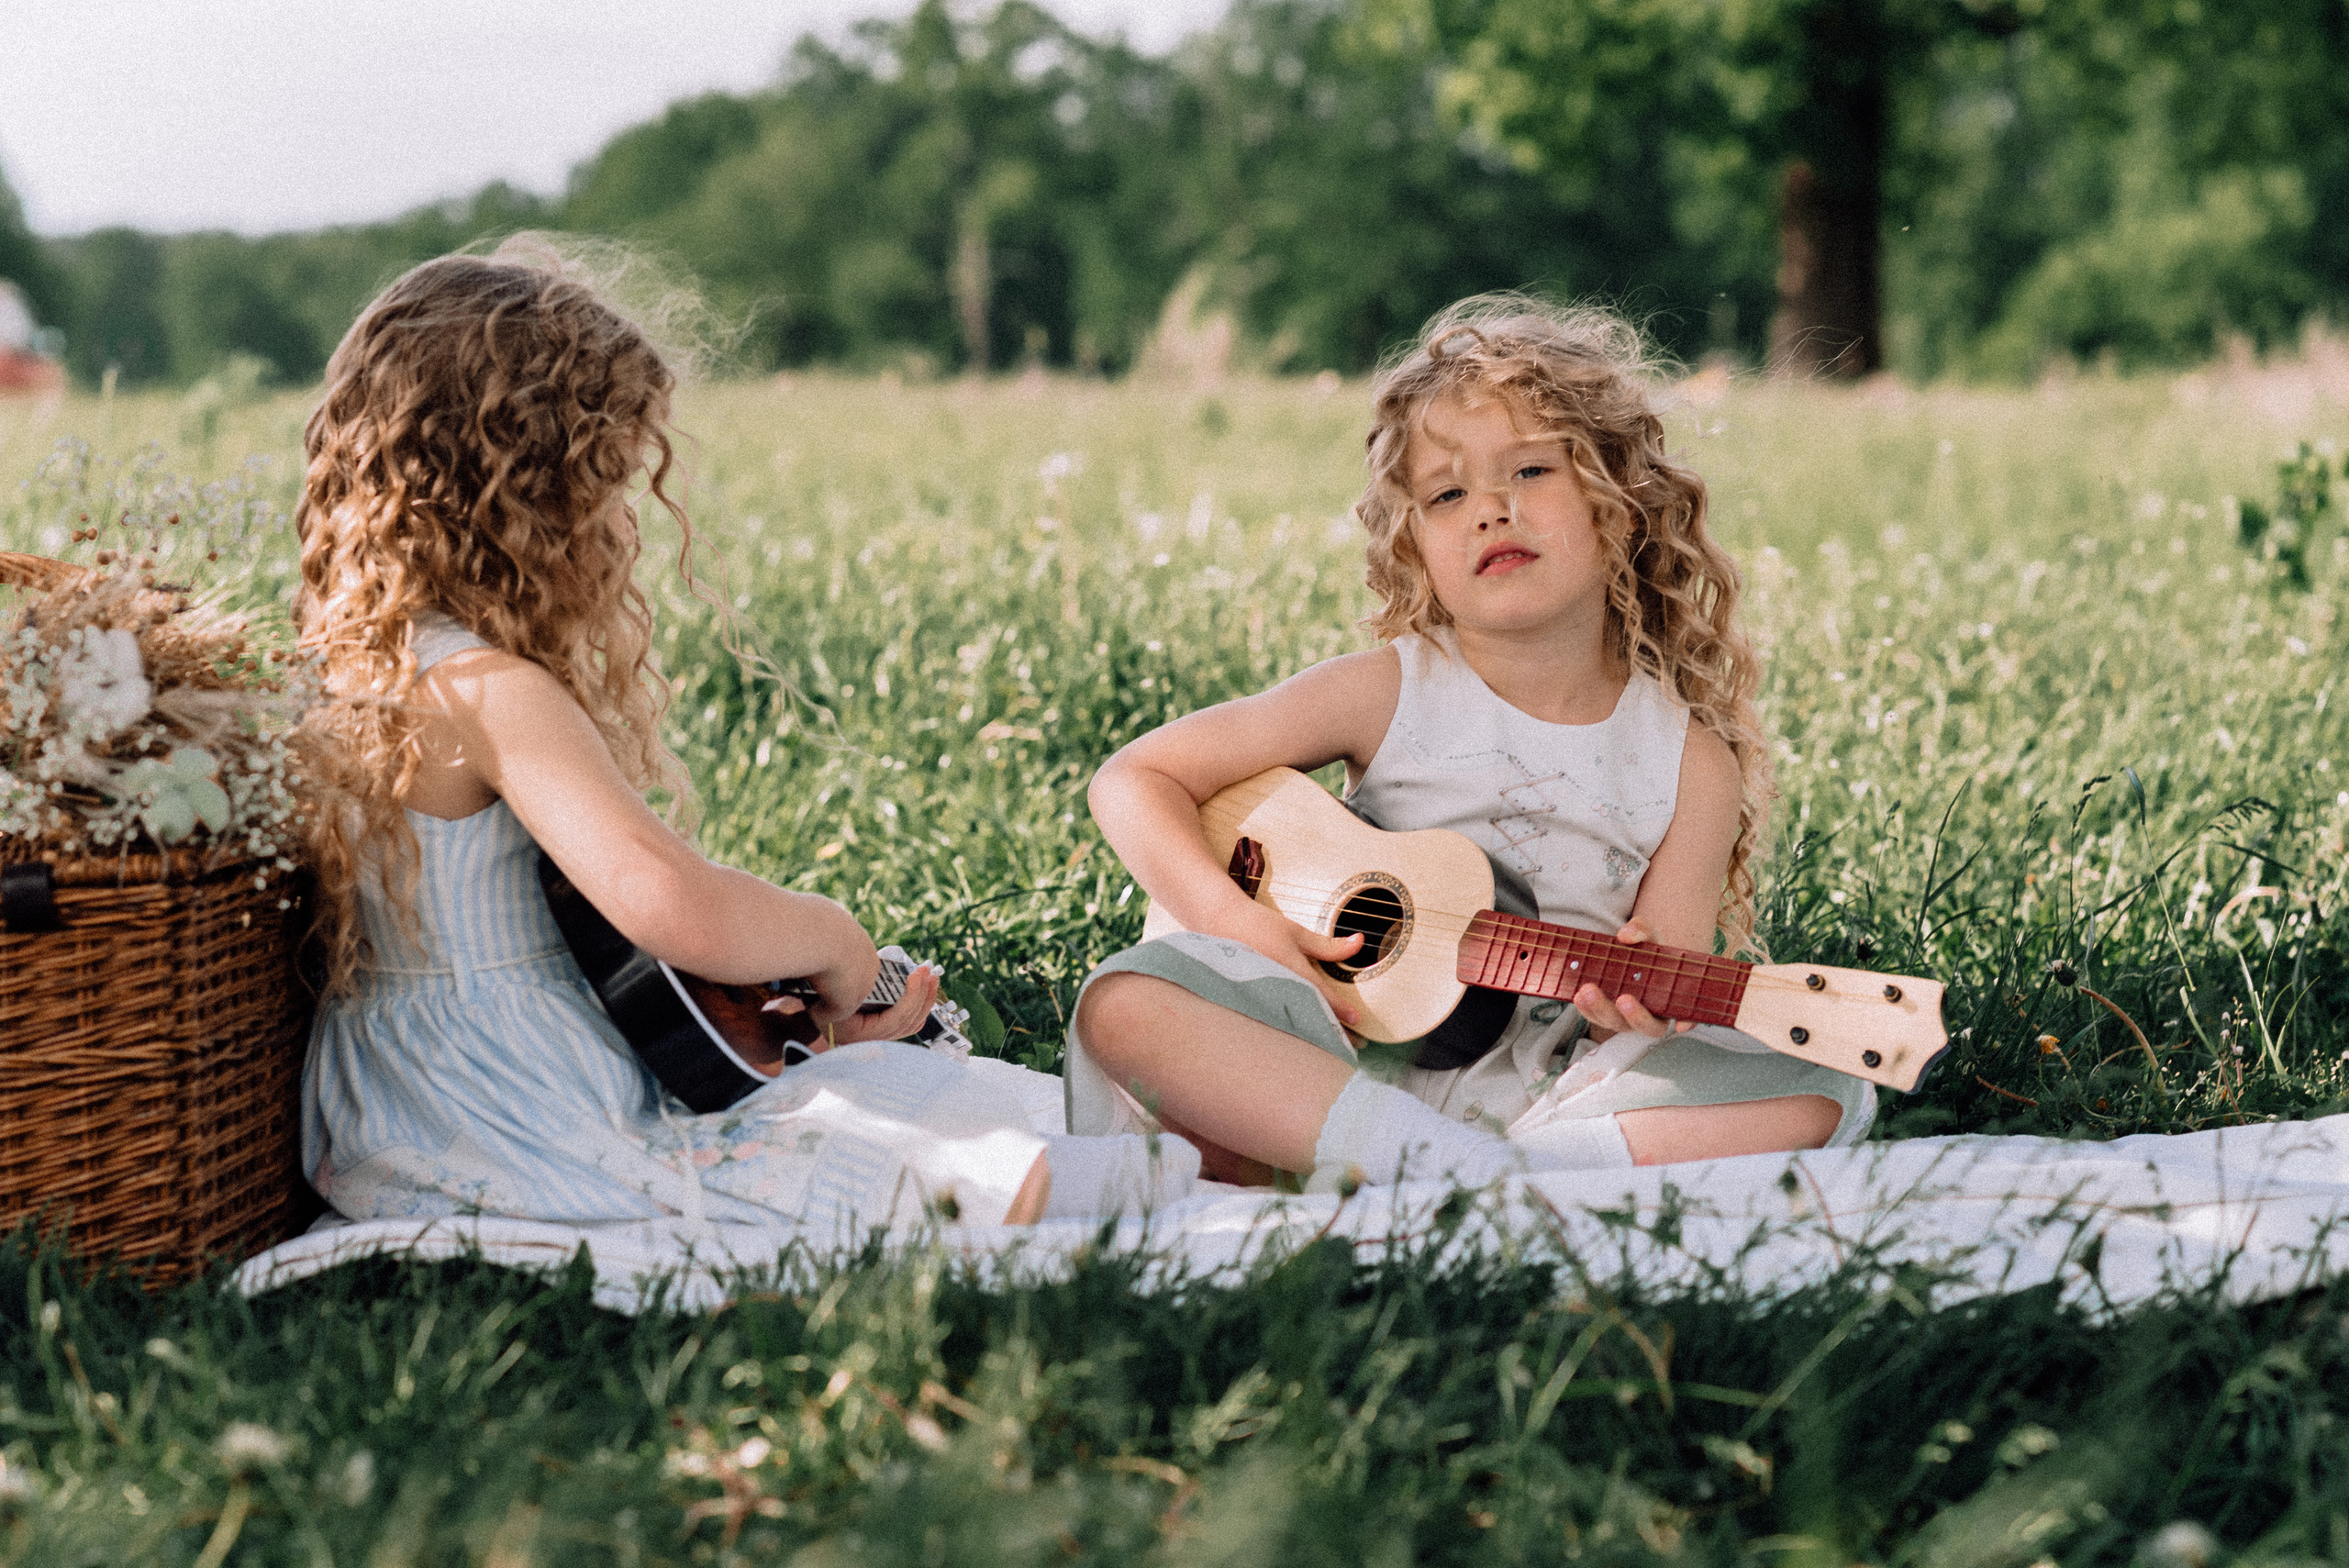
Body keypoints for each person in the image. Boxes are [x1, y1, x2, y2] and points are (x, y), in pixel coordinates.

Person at [295, 242, 1193, 1232]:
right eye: (601, 487)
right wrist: (838, 945)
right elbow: (673, 903)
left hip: (402, 1110)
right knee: (995, 1164)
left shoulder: (352, 667)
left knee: (929, 1109)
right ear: (525, 492)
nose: (614, 528)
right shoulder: (488, 690)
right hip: (523, 1113)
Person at [1070, 296, 1875, 1189]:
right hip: (1321, 1050)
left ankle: (1463, 1165)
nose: (1490, 509)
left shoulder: (1689, 762)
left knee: (1827, 1083)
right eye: (1446, 493)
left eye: (1529, 471)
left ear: (1620, 502)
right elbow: (1134, 777)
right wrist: (1235, 923)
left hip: (1541, 1088)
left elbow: (1662, 982)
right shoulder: (1391, 688)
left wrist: (1632, 1007)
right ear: (1413, 547)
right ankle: (1435, 1161)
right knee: (1128, 1004)